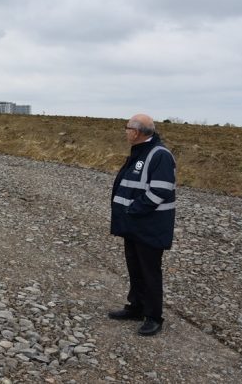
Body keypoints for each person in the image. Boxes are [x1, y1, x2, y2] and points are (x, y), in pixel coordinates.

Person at [109, 114, 176, 336]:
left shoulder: (160, 155)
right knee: (135, 268)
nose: (125, 131)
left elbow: (160, 190)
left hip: (150, 225)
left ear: (136, 132)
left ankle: (153, 316)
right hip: (134, 225)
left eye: (127, 127)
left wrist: (132, 210)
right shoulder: (140, 152)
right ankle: (136, 307)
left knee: (149, 271)